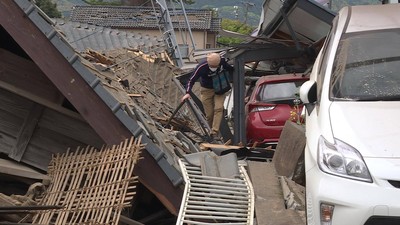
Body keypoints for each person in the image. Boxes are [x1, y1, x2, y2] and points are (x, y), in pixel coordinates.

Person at [181, 53, 234, 140]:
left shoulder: (222, 62)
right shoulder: (201, 67)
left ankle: (214, 132)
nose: (213, 68)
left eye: (215, 66)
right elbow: (191, 80)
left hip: (220, 89)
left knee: (219, 108)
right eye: (211, 66)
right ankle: (211, 131)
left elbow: (230, 68)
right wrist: (187, 92)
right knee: (209, 114)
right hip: (206, 90)